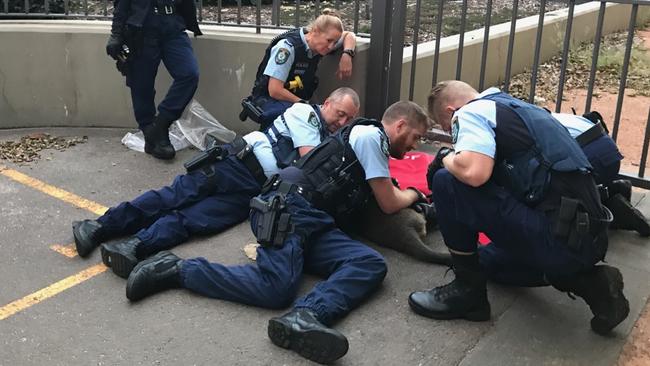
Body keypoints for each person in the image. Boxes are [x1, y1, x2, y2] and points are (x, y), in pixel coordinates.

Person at [123, 101, 432, 364]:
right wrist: (415, 194)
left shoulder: (366, 143)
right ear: (400, 125)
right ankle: (176, 269)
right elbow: (390, 202)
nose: (415, 145)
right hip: (288, 207)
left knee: (369, 263)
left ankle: (305, 317)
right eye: (416, 137)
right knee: (276, 288)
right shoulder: (370, 136)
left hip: (313, 220)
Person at [409, 81, 629, 335]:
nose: (455, 136)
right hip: (586, 239)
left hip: (556, 237)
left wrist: (444, 157)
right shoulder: (515, 106)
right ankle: (592, 284)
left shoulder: (469, 112)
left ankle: (468, 293)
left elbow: (475, 172)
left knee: (446, 180)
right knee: (488, 261)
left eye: (449, 129)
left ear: (451, 111)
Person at [72, 87, 360, 279]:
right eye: (340, 113)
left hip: (254, 191)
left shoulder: (326, 138)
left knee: (193, 221)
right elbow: (307, 160)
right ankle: (99, 227)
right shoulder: (305, 114)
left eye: (349, 119)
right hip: (234, 164)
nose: (342, 121)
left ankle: (134, 246)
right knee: (171, 197)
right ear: (327, 104)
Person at [105, 0, 202, 160]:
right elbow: (122, 4)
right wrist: (116, 34)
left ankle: (161, 124)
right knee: (141, 85)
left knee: (189, 74)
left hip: (173, 27)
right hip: (143, 30)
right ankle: (151, 133)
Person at [240, 9, 357, 130]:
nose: (331, 46)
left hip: (296, 98)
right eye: (329, 41)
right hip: (269, 100)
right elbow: (274, 90)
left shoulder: (321, 43)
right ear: (315, 31)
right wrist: (304, 105)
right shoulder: (287, 47)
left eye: (335, 42)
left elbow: (349, 35)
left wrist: (347, 54)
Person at [552, 112, 649, 236]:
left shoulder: (532, 129)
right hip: (611, 154)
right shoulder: (552, 115)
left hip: (593, 161)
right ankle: (616, 188)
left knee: (557, 188)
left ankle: (613, 207)